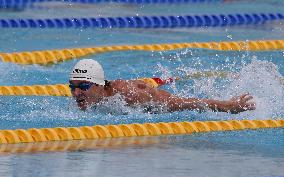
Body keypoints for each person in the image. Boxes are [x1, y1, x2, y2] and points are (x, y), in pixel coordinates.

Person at [69, 59, 256, 114]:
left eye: (83, 86)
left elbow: (183, 103)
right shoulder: (89, 99)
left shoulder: (130, 95)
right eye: (72, 87)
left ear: (100, 85)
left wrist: (228, 106)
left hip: (155, 102)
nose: (76, 93)